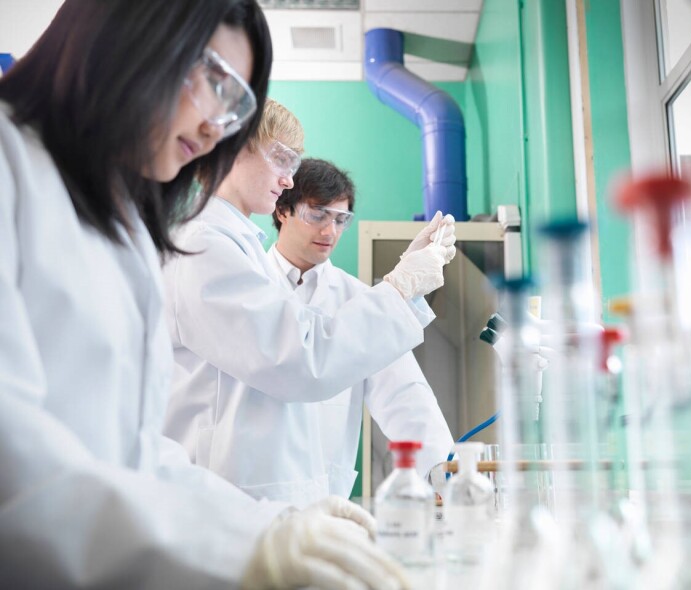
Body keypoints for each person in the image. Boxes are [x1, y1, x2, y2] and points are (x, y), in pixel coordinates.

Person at [0, 2, 410, 589]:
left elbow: (136, 455)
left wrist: (264, 529)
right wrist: (239, 551)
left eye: (237, 103)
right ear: (132, 31)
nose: (219, 124)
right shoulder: (9, 163)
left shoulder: (123, 229)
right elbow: (13, 459)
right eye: (216, 81)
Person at [162, 101, 457, 506]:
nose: (287, 179)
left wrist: (444, 471)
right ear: (233, 146)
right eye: (281, 158)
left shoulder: (240, 251)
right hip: (224, 500)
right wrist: (401, 287)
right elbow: (301, 357)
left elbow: (405, 393)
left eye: (340, 219)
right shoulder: (205, 247)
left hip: (277, 500)